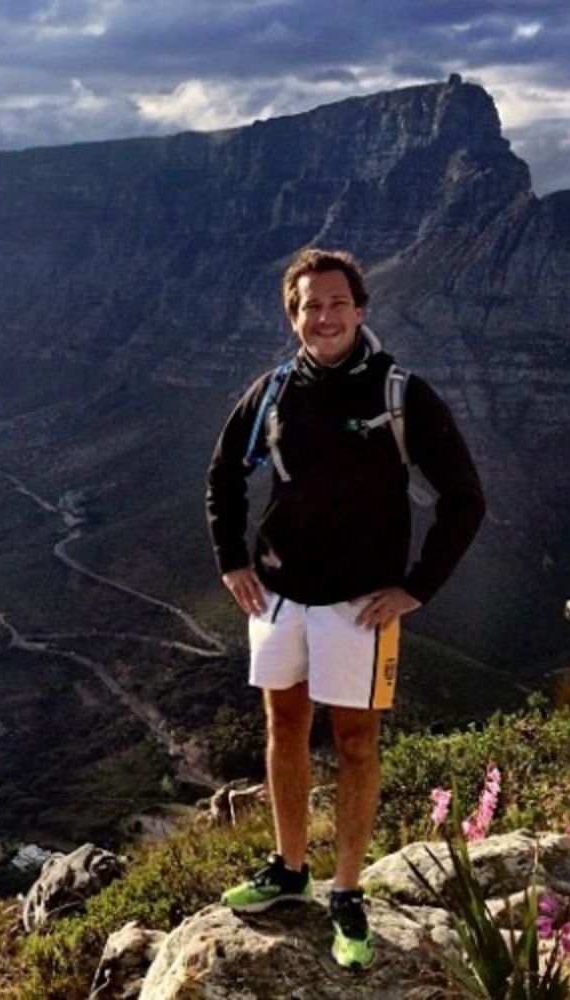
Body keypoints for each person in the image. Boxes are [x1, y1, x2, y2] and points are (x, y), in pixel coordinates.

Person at [205, 247, 484, 970]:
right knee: (285, 725)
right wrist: (231, 559)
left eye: (336, 304)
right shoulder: (272, 391)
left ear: (361, 309)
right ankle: (290, 868)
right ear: (292, 315)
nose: (323, 317)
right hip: (278, 594)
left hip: (360, 605)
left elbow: (464, 499)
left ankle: (347, 890)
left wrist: (418, 586)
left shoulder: (400, 393)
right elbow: (224, 474)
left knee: (356, 743)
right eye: (309, 306)